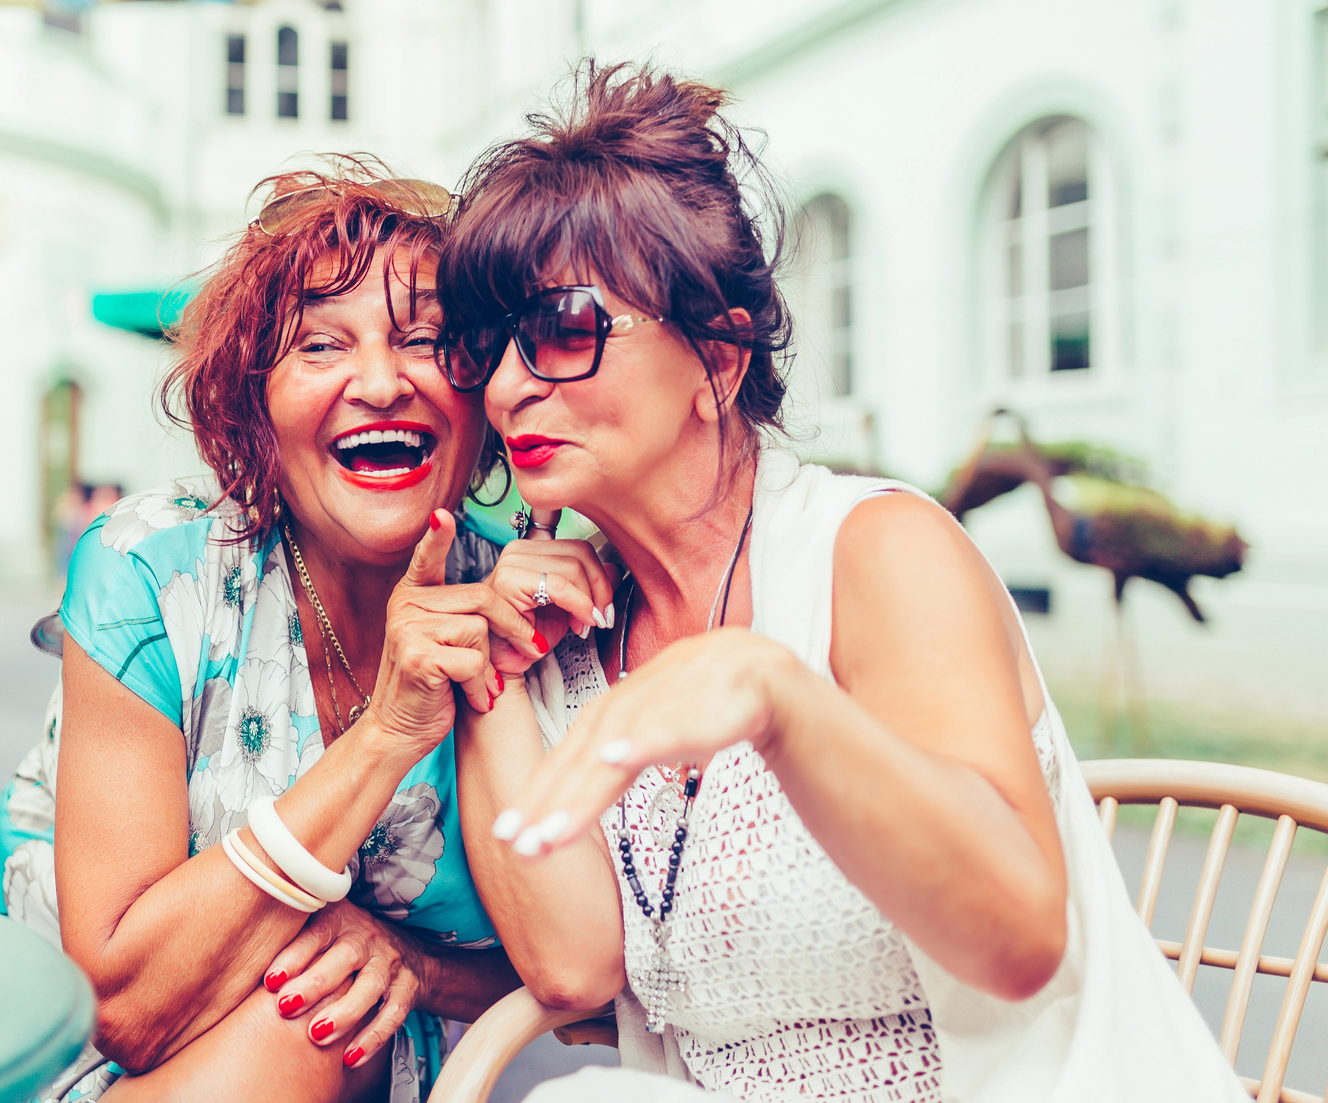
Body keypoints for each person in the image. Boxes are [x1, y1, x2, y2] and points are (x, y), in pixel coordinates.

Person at [420, 64, 1246, 1101]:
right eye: (484, 346)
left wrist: (780, 703)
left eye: (561, 329)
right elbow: (573, 965)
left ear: (717, 359)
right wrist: (488, 670)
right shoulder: (571, 635)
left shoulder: (876, 552)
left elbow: (1019, 938)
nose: (504, 385)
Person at [0, 163, 534, 1102]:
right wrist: (387, 736)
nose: (381, 382)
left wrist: (416, 966)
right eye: (320, 345)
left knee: (311, 1014)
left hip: (331, 1053)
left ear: (487, 392)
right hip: (36, 1049)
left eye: (426, 338)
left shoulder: (513, 598)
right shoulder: (151, 565)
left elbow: (606, 972)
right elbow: (126, 1009)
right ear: (256, 405)